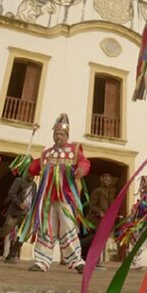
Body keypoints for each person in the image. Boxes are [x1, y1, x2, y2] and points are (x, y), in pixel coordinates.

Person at [19, 113, 91, 274]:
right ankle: (41, 261)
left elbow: (85, 162)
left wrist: (82, 169)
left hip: (66, 197)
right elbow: (34, 168)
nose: (58, 136)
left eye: (61, 134)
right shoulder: (46, 154)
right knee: (46, 228)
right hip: (47, 199)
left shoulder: (74, 150)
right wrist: (25, 164)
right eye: (56, 134)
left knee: (68, 227)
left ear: (67, 135)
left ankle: (76, 261)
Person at [0, 154, 37, 263]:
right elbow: (12, 193)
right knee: (6, 231)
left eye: (33, 173)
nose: (31, 175)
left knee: (22, 236)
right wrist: (19, 204)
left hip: (26, 214)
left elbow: (34, 198)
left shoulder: (34, 185)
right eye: (30, 172)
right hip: (15, 211)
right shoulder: (19, 181)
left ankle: (12, 255)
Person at [114, 176, 147, 269]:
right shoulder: (143, 198)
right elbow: (143, 208)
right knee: (141, 241)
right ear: (143, 188)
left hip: (145, 223)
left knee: (146, 241)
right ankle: (134, 261)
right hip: (139, 224)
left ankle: (134, 259)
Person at [79, 172, 117, 266]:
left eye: (109, 180)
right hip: (95, 220)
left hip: (105, 222)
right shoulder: (97, 191)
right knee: (96, 239)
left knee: (98, 240)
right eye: (106, 179)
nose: (107, 181)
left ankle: (92, 258)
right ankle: (80, 246)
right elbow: (92, 205)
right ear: (102, 180)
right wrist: (100, 212)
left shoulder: (111, 193)